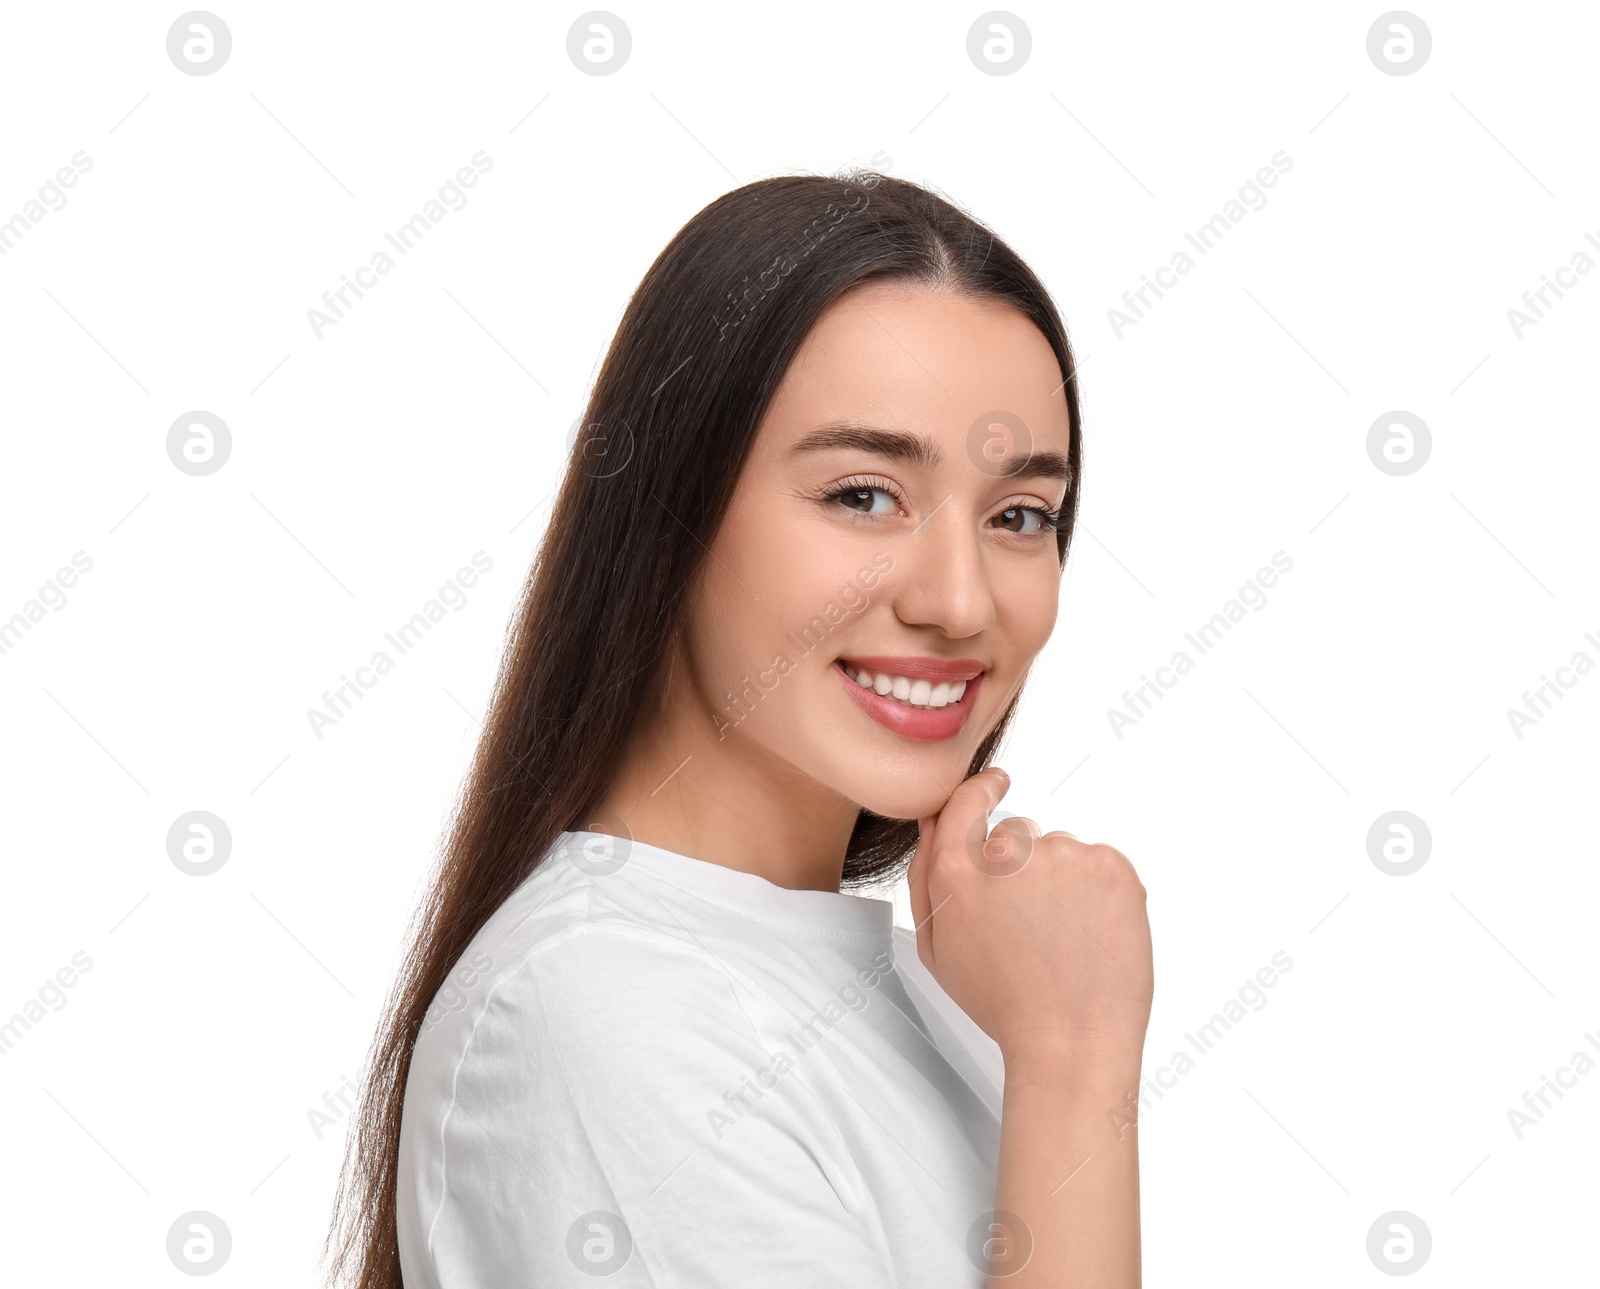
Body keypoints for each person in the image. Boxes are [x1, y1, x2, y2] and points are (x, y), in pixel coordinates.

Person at [323, 170, 1153, 1288]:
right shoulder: (596, 1009)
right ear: (670, 506)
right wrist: (1074, 1064)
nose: (960, 601)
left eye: (1018, 516)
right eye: (863, 494)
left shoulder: (913, 996)